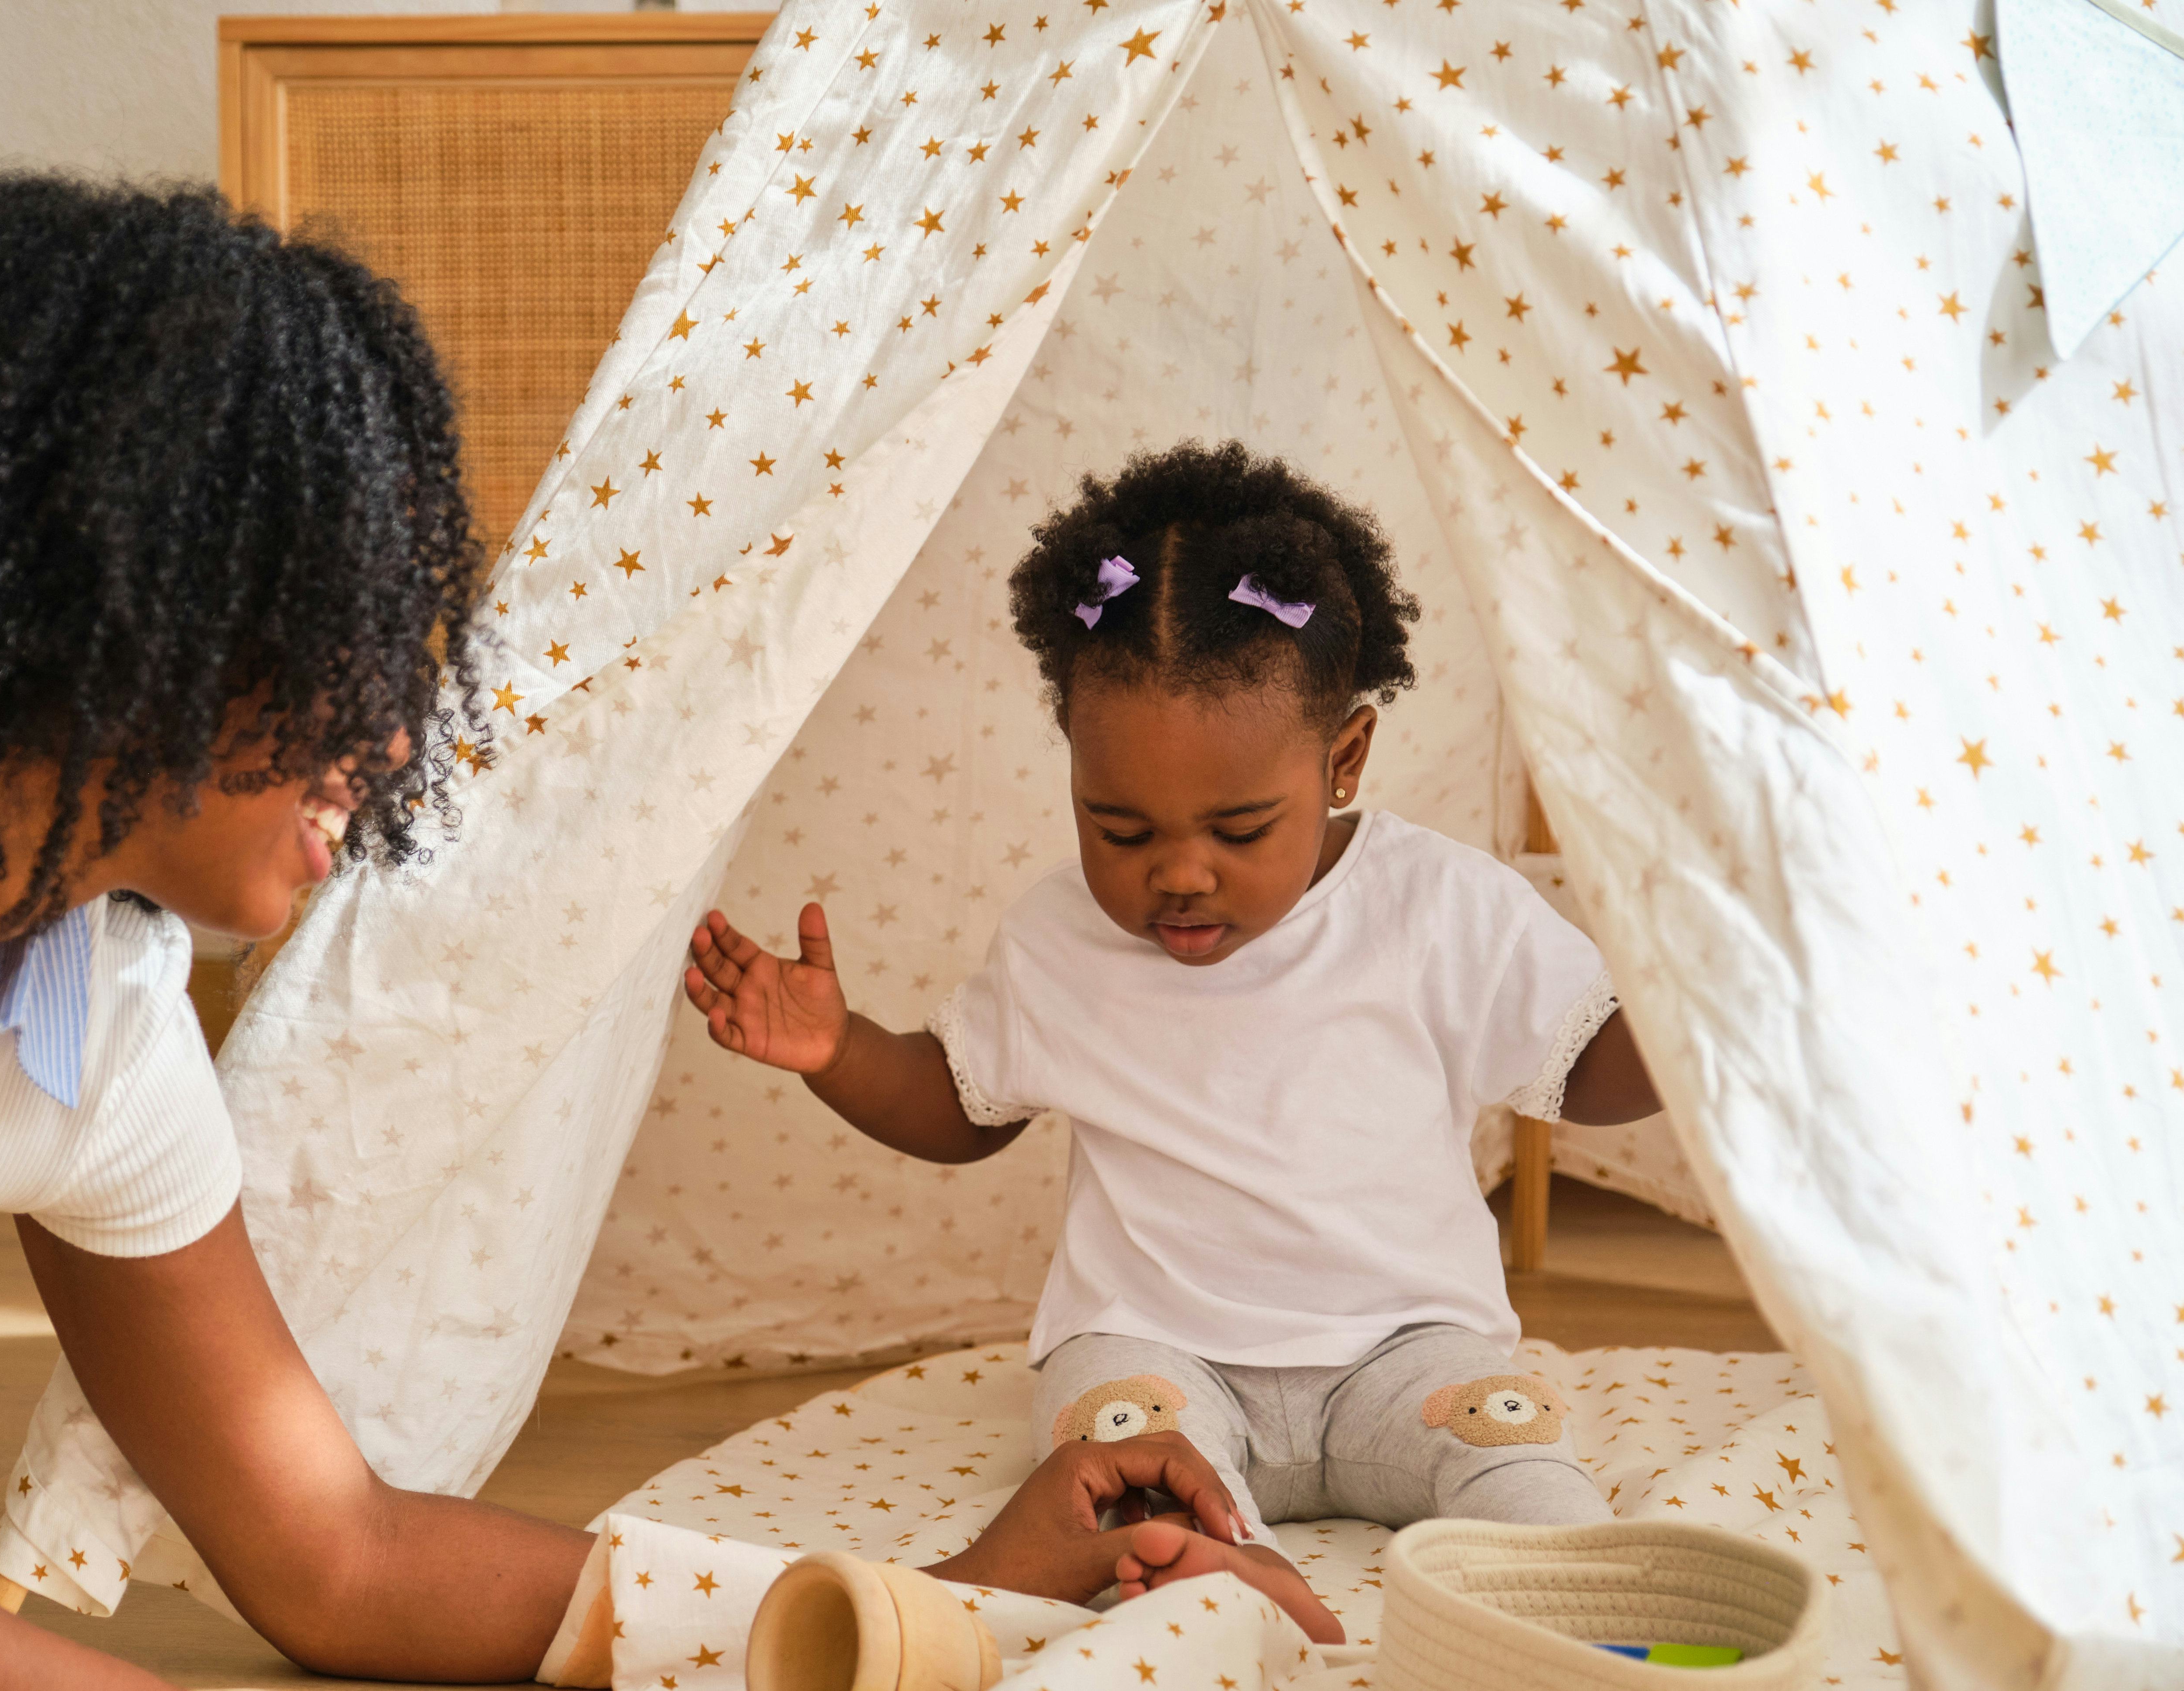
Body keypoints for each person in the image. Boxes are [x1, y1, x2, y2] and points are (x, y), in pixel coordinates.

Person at [0, 173, 1197, 1691]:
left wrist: (921, 1609)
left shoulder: (96, 1030)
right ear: (127, 592)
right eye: (346, 634)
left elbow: (341, 1556)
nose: (391, 738)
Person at [682, 441, 1667, 1643]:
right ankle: (1222, 1617)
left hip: (1406, 1352)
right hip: (1161, 1361)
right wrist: (841, 1051)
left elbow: (1588, 1067)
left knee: (1522, 1463)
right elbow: (959, 1105)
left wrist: (1698, 1018)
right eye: (1121, 828)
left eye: (1241, 828)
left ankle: (1589, 1639)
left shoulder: (1437, 908)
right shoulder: (1058, 937)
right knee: (1123, 1493)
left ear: (1343, 760)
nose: (1181, 874)